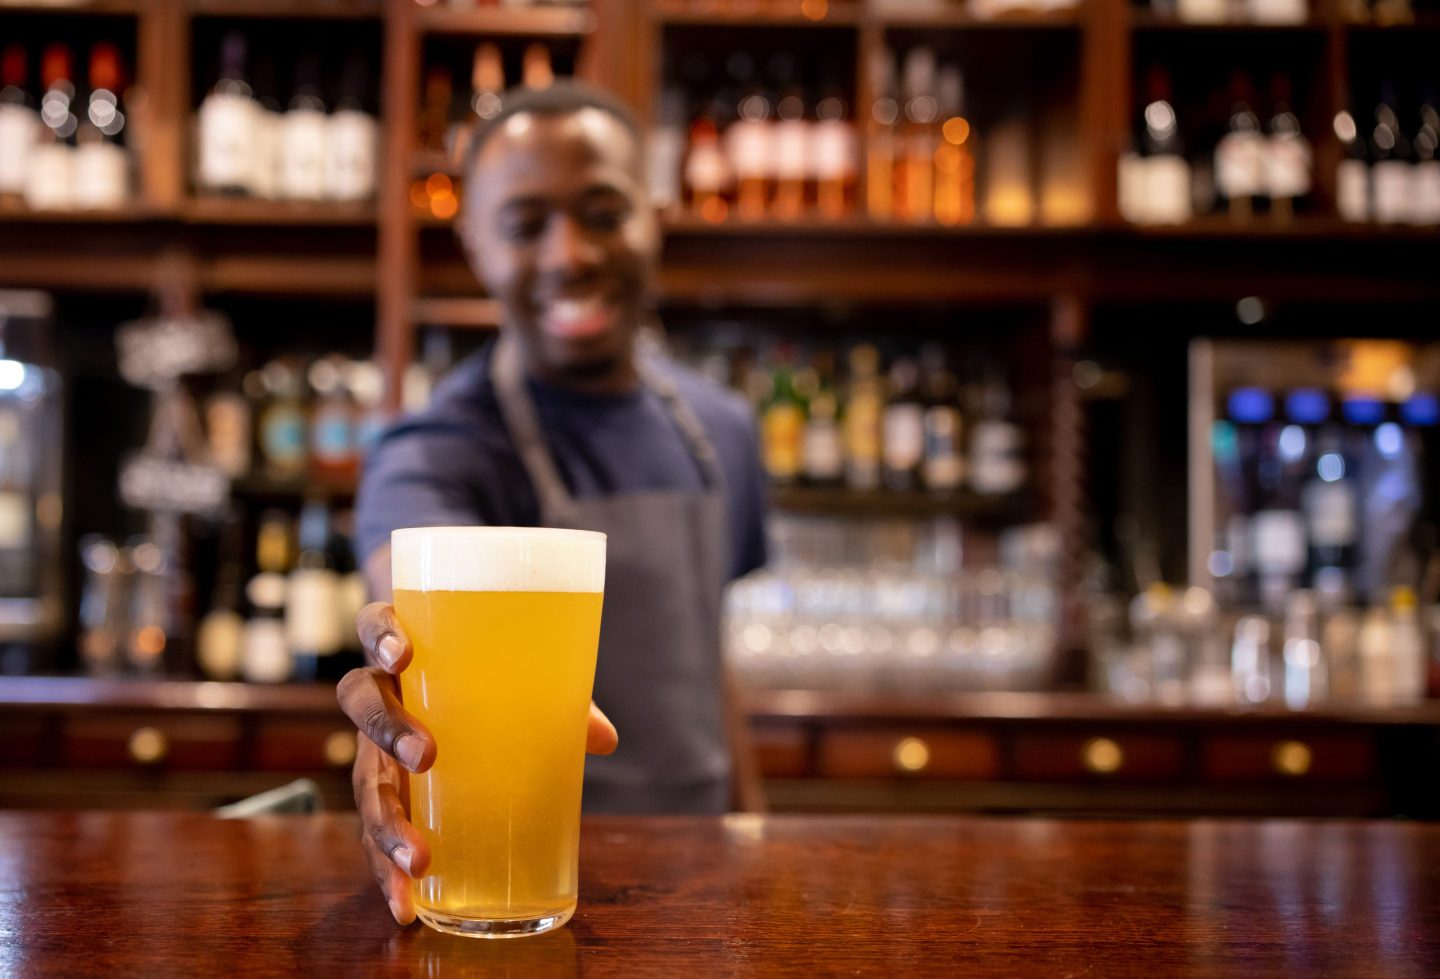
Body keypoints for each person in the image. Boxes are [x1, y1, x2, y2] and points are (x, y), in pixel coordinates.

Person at [336, 82, 769, 926]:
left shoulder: (724, 429)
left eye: (604, 211)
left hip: (703, 889)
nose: (569, 253)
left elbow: (707, 651)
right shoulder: (436, 448)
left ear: (655, 213)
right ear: (472, 243)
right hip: (531, 883)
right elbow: (410, 611)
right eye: (526, 223)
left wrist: (754, 823)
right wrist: (396, 687)